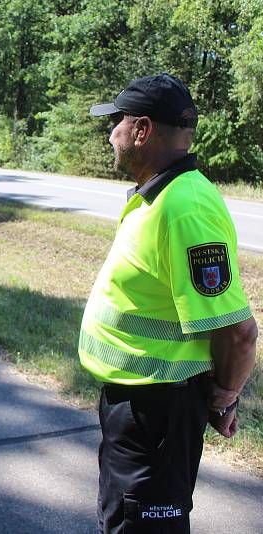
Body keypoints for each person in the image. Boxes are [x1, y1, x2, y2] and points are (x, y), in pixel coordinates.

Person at [80, 73, 258, 532]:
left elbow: (237, 332)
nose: (110, 132)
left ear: (141, 130)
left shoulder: (183, 206)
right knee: (123, 515)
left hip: (157, 412)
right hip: (138, 405)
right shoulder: (157, 194)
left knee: (145, 522)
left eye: (116, 121)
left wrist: (223, 398)